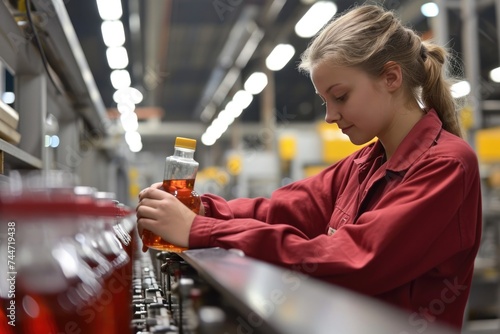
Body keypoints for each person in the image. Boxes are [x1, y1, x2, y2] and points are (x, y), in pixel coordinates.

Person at [136, 4, 482, 330]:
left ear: (391, 77)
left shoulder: (447, 165)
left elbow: (354, 260)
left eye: (341, 96)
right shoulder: (364, 163)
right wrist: (196, 208)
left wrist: (200, 230)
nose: (330, 116)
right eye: (325, 101)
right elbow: (278, 211)